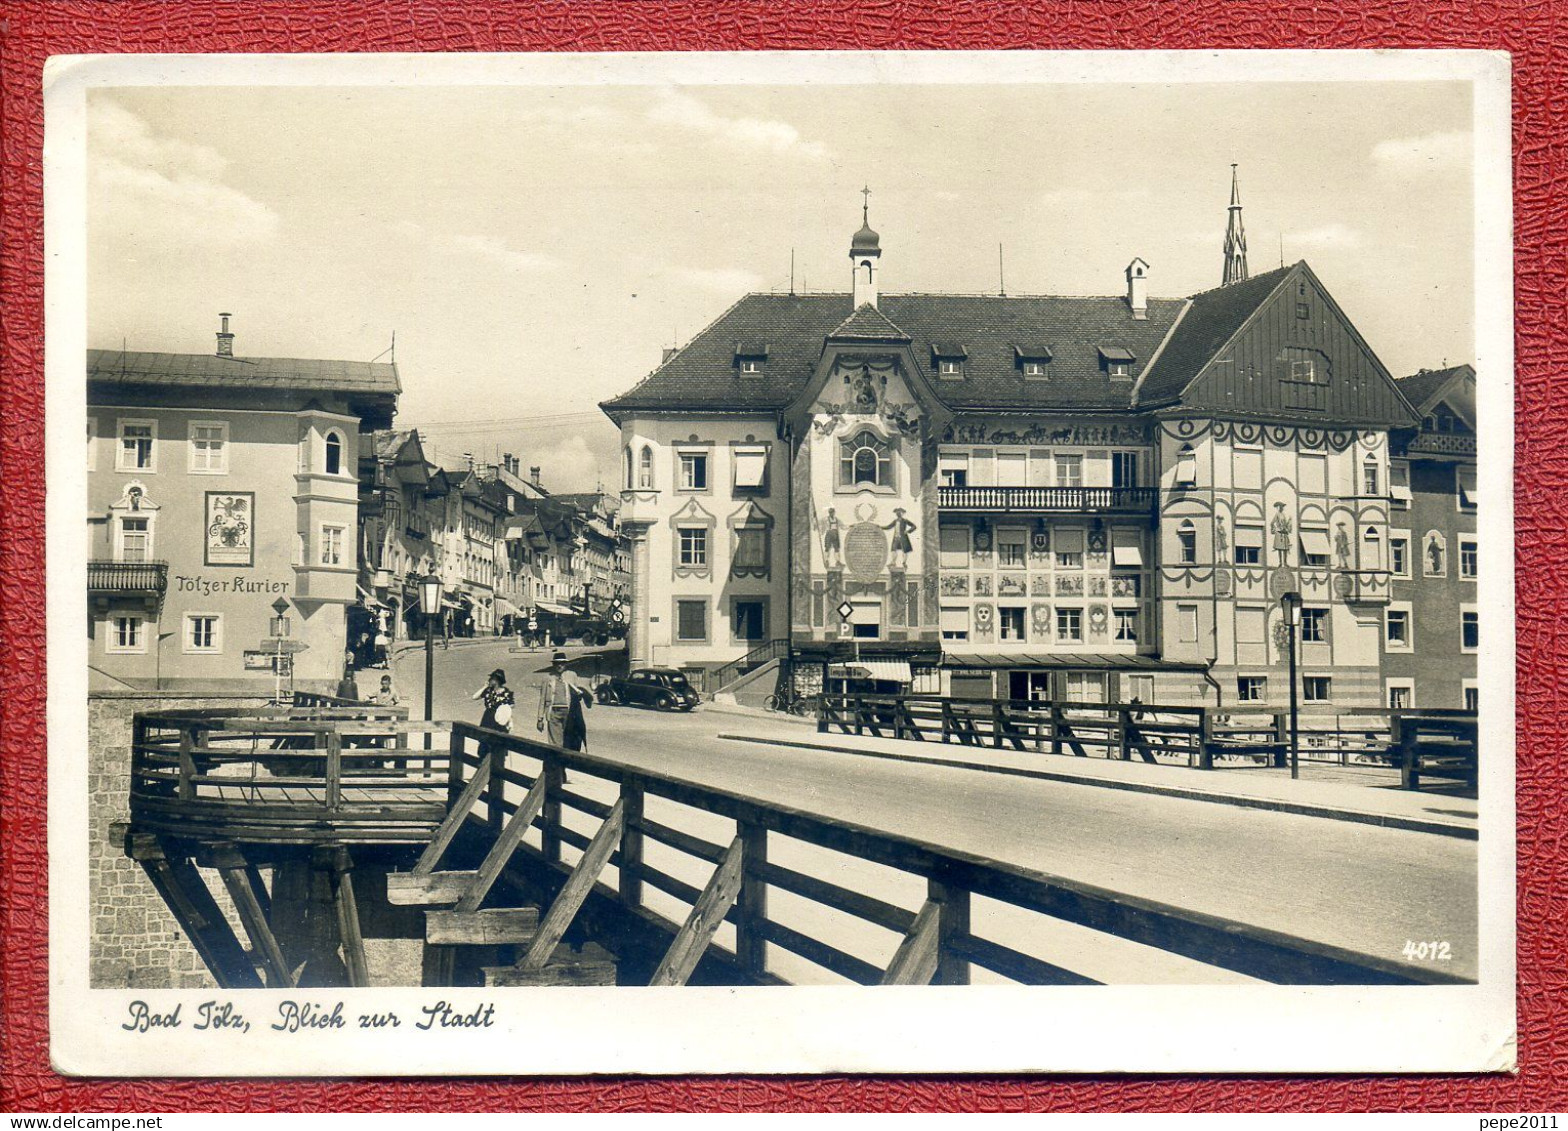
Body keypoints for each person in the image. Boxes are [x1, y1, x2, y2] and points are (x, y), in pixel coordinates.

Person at [537, 651, 593, 751]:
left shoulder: (572, 675)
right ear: (553, 664)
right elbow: (542, 699)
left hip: (569, 713)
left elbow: (577, 693)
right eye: (557, 663)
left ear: (566, 664)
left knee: (568, 740)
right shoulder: (547, 678)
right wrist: (540, 719)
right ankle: (557, 763)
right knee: (555, 743)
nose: (560, 665)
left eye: (562, 663)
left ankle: (565, 762)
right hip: (553, 712)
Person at [472, 668, 515, 733]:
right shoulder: (489, 690)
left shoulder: (506, 693)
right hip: (487, 718)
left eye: (491, 678)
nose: (489, 680)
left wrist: (510, 722)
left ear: (496, 680)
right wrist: (484, 687)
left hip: (500, 720)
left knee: (498, 740)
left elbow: (510, 708)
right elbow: (474, 697)